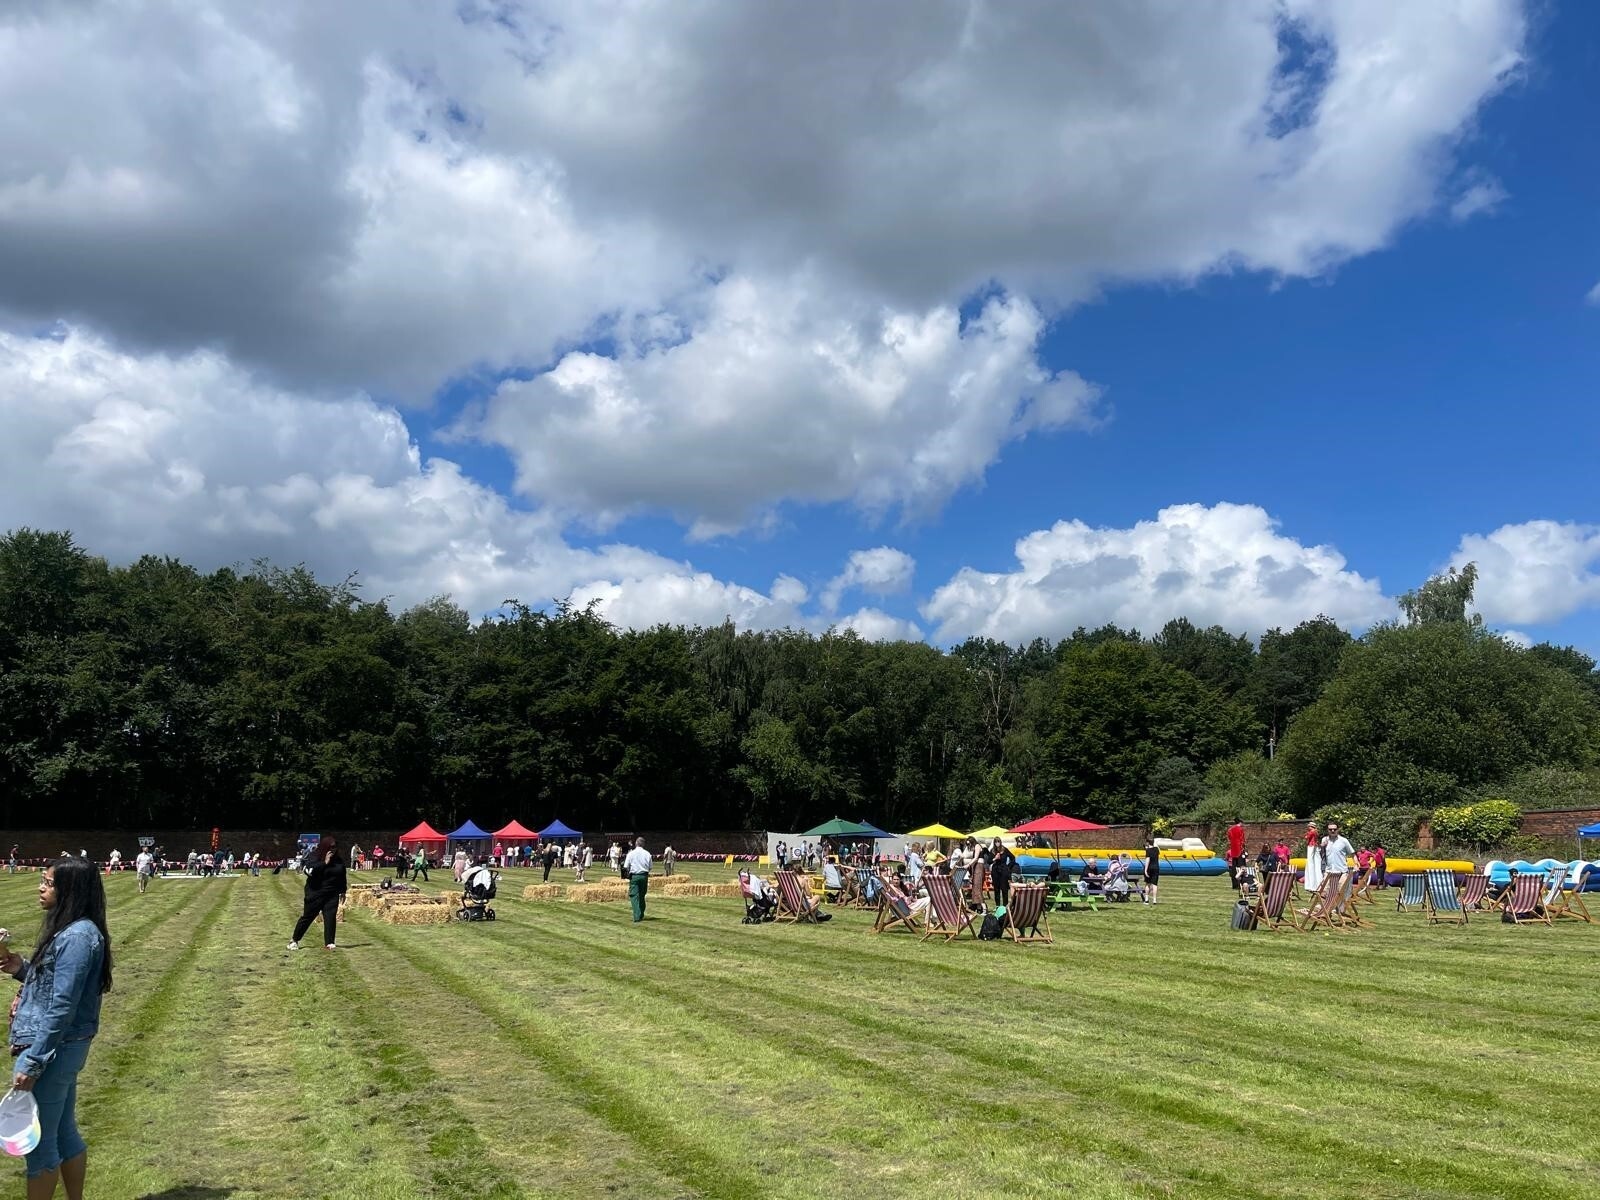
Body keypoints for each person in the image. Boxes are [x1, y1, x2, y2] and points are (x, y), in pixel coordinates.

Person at [3, 856, 113, 1198]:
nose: (41, 887)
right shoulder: (72, 930)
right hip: (60, 1048)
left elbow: (62, 1006)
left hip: (52, 1050)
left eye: (49, 882)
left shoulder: (78, 936)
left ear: (70, 890)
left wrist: (34, 1063)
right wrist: (21, 968)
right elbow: (56, 988)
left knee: (38, 1145)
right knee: (64, 1132)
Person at [288, 837, 348, 951]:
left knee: (330, 917)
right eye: (331, 847)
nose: (333, 850)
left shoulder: (338, 860)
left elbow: (342, 875)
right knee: (308, 917)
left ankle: (329, 942)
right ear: (325, 847)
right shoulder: (314, 856)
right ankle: (294, 940)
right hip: (315, 893)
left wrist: (343, 890)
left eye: (335, 847)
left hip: (331, 893)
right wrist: (324, 863)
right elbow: (308, 871)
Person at [1322, 822, 1356, 913]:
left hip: (1342, 871)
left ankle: (1338, 911)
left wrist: (1356, 865)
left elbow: (1352, 853)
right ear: (1327, 830)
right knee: (1324, 891)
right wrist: (1322, 847)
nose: (1332, 831)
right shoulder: (1324, 840)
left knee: (1341, 892)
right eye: (1330, 829)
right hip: (1329, 871)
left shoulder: (1343, 841)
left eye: (1334, 829)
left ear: (1338, 830)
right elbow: (1321, 856)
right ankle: (1325, 909)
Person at [623, 838, 652, 923]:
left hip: (634, 876)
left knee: (634, 895)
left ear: (636, 844)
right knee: (642, 895)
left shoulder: (631, 853)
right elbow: (650, 867)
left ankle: (637, 915)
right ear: (643, 844)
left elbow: (625, 866)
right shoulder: (647, 853)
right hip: (644, 875)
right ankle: (641, 913)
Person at [988, 838, 1017, 910]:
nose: (997, 843)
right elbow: (988, 861)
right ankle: (997, 905)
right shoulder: (992, 850)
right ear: (994, 843)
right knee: (996, 889)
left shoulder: (1005, 849)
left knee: (1004, 889)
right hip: (995, 870)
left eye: (998, 841)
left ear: (1000, 842)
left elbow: (1013, 858)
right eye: (995, 842)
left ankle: (1005, 905)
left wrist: (1008, 867)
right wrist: (995, 858)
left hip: (1004, 870)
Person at [1302, 821, 1324, 895]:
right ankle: (1318, 883)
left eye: (1309, 826)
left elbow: (1306, 837)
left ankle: (1311, 884)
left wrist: (1306, 835)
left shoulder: (1312, 831)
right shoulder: (1316, 831)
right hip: (1316, 846)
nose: (1308, 827)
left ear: (1311, 826)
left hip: (1311, 846)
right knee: (1315, 863)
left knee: (1310, 863)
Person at [1226, 819, 1246, 889]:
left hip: (1233, 850)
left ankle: (1234, 884)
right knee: (1242, 867)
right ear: (1240, 823)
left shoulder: (1230, 829)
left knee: (1234, 868)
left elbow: (1229, 837)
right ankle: (1242, 884)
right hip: (1239, 850)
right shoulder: (1240, 829)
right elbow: (1242, 839)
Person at [1143, 835, 1161, 905]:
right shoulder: (1156, 849)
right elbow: (1157, 848)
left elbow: (1148, 860)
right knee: (1155, 884)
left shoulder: (1148, 851)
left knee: (1147, 883)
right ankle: (1154, 900)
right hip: (1156, 867)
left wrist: (1145, 870)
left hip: (1150, 867)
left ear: (1147, 842)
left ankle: (1146, 899)